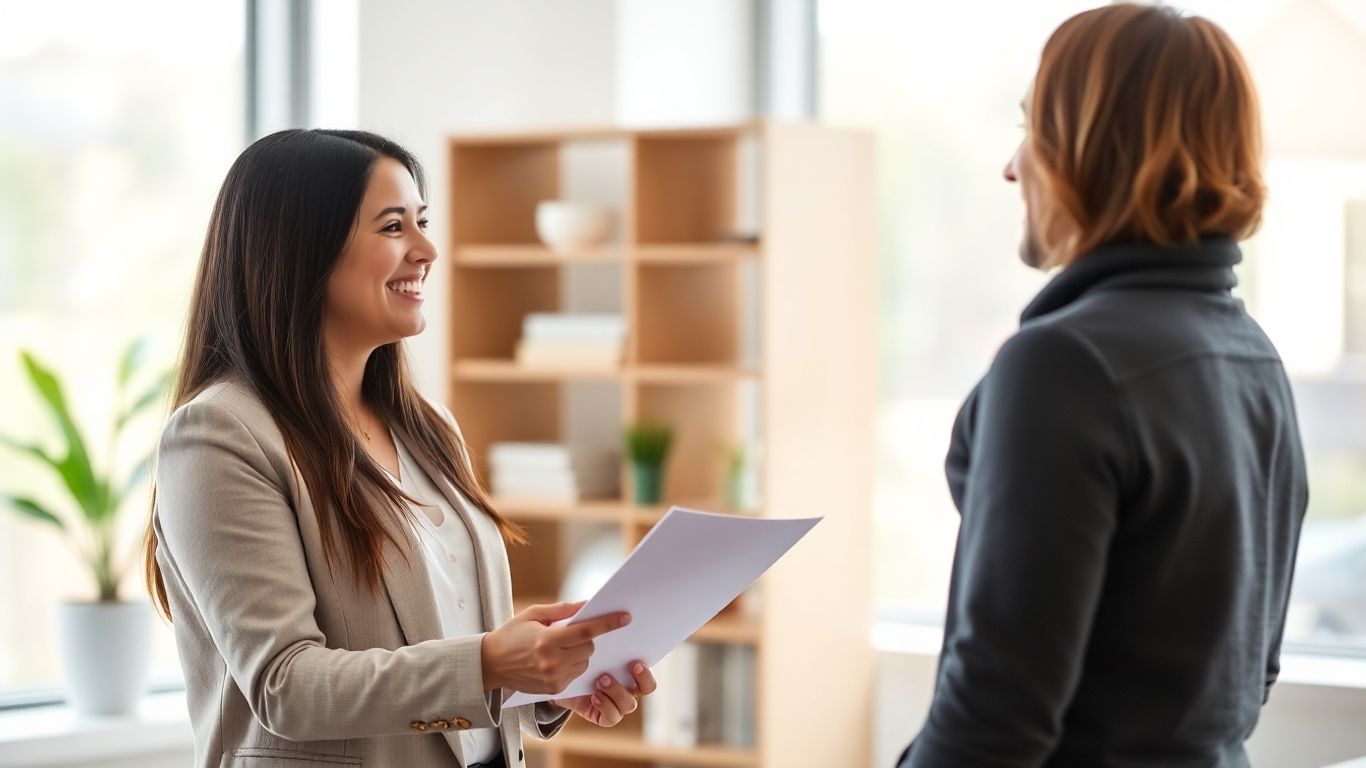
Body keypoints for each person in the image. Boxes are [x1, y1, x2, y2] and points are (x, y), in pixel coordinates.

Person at [142, 129, 655, 768]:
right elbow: (286, 686)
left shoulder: (428, 426)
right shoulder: (219, 435)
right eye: (393, 227)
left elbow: (437, 661)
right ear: (300, 253)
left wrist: (544, 680)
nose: (427, 249)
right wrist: (490, 661)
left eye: (422, 221)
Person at [898, 5, 1307, 767]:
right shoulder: (1255, 360)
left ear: (1089, 150)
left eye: (1032, 128)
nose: (1013, 165)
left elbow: (993, 716)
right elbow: (1252, 675)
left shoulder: (1062, 365)